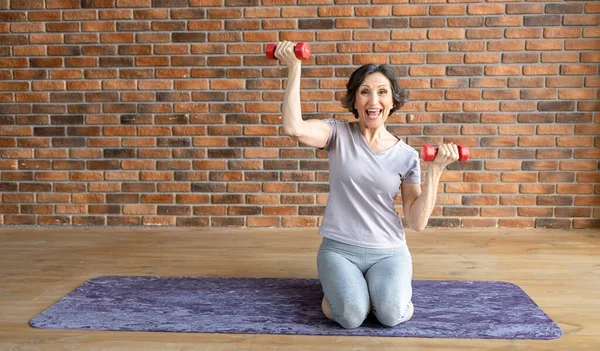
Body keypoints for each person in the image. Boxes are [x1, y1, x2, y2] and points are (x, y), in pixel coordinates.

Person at [275, 41, 460, 329]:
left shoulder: (407, 156)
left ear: (392, 101)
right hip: (339, 250)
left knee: (390, 316)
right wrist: (294, 67)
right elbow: (294, 128)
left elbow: (417, 222)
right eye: (365, 92)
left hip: (388, 251)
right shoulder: (336, 133)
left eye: (382, 92)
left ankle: (382, 296)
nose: (373, 101)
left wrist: (434, 170)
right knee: (350, 317)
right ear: (355, 100)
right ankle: (343, 294)